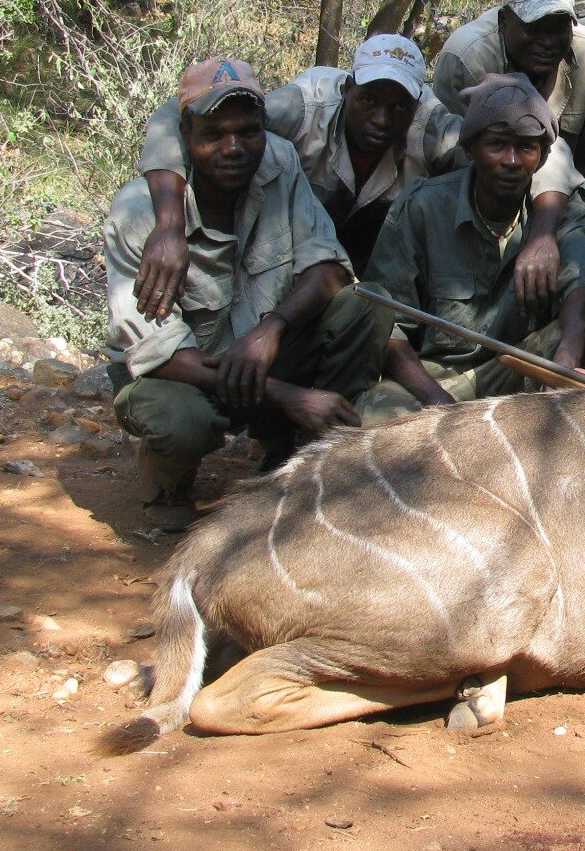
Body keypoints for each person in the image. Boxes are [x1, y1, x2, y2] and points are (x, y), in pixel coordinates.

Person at [103, 57, 393, 531]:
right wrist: (286, 394)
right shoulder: (139, 215)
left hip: (260, 354)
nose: (233, 147)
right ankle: (168, 481)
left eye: (248, 131)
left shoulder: (278, 161)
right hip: (189, 373)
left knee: (365, 306)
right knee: (179, 420)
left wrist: (270, 330)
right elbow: (155, 352)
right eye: (213, 134)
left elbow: (328, 264)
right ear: (185, 135)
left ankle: (297, 459)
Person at [131, 36, 580, 320]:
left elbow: (544, 143)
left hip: (373, 259)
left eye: (398, 105)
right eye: (369, 101)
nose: (382, 119)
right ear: (347, 89)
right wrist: (170, 226)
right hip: (294, 251)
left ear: (417, 99)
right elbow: (179, 113)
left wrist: (542, 236)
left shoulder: (429, 127)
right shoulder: (302, 107)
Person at [356, 74, 585, 424]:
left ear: (543, 157)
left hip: (519, 366)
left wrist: (565, 362)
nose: (512, 161)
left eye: (526, 148)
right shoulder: (423, 207)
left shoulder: (564, 211)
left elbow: (583, 283)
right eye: (497, 145)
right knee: (376, 425)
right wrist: (441, 405)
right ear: (470, 149)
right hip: (436, 378)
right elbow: (391, 329)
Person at [432, 0, 585, 208]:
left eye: (559, 28)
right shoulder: (467, 59)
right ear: (503, 22)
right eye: (533, 29)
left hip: (566, 202)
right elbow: (450, 161)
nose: (547, 41)